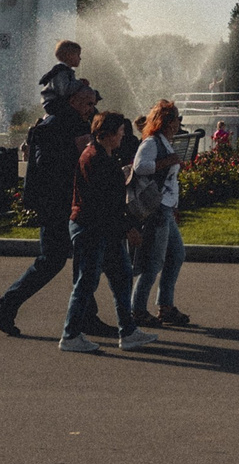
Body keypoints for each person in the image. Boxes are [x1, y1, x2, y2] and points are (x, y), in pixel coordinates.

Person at [0, 80, 98, 335]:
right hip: (59, 203)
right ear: (73, 101)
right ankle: (7, 304)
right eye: (88, 103)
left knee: (79, 258)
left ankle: (86, 316)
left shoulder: (55, 122)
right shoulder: (67, 125)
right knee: (54, 259)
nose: (92, 109)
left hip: (57, 202)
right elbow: (63, 164)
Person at [60, 111, 153, 354]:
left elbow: (108, 199)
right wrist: (128, 228)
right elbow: (100, 202)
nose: (124, 136)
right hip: (91, 227)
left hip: (104, 228)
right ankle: (70, 335)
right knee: (86, 282)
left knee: (121, 278)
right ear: (107, 134)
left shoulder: (104, 155)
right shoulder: (94, 158)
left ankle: (129, 332)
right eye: (120, 132)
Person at [129, 100, 189, 329]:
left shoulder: (163, 142)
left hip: (166, 208)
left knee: (176, 255)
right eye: (176, 119)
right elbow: (140, 166)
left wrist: (174, 206)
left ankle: (165, 305)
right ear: (167, 122)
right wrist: (167, 161)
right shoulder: (153, 143)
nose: (178, 123)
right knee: (153, 262)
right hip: (156, 209)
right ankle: (138, 309)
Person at [38, 39, 83, 109]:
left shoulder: (64, 70)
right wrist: (80, 83)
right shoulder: (61, 71)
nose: (80, 58)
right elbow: (65, 90)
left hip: (56, 102)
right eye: (78, 55)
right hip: (54, 103)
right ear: (69, 56)